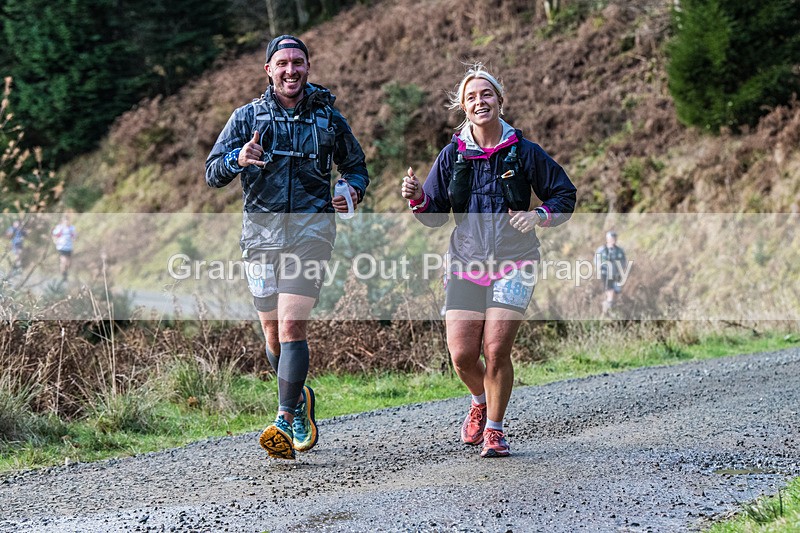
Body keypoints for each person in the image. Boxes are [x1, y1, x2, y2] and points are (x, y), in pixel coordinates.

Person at [205, 35, 369, 460]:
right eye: (283, 63)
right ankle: (300, 400)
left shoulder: (329, 119)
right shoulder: (246, 118)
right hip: (260, 238)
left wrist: (350, 190)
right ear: (269, 70)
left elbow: (356, 167)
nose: (291, 70)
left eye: (298, 62)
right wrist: (237, 159)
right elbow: (212, 173)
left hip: (311, 234)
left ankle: (283, 417)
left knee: (292, 325)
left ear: (308, 67)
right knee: (272, 335)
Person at [401, 64, 576, 457]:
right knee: (462, 355)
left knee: (496, 350)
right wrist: (417, 197)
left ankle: (494, 430)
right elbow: (434, 216)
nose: (480, 101)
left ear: (499, 100)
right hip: (466, 262)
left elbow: (565, 194)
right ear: (463, 108)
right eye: (471, 97)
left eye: (486, 94)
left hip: (516, 261)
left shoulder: (525, 151)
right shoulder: (452, 155)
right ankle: (480, 400)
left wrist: (538, 215)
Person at [595, 230, 627, 315]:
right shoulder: (602, 250)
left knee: (616, 292)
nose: (613, 240)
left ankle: (607, 307)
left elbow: (624, 262)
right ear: (607, 239)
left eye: (614, 238)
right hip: (605, 273)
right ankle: (607, 311)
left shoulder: (619, 250)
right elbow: (597, 260)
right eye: (611, 238)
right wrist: (600, 267)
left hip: (616, 274)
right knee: (610, 291)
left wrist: (621, 268)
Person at [51, 215, 76, 282]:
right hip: (61, 247)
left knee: (68, 263)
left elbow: (74, 236)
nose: (66, 222)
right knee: (63, 261)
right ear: (63, 221)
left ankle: (65, 273)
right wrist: (55, 241)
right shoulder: (59, 228)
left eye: (67, 221)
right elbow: (54, 234)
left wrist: (73, 238)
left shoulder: (71, 228)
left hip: (69, 247)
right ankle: (63, 276)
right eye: (65, 221)